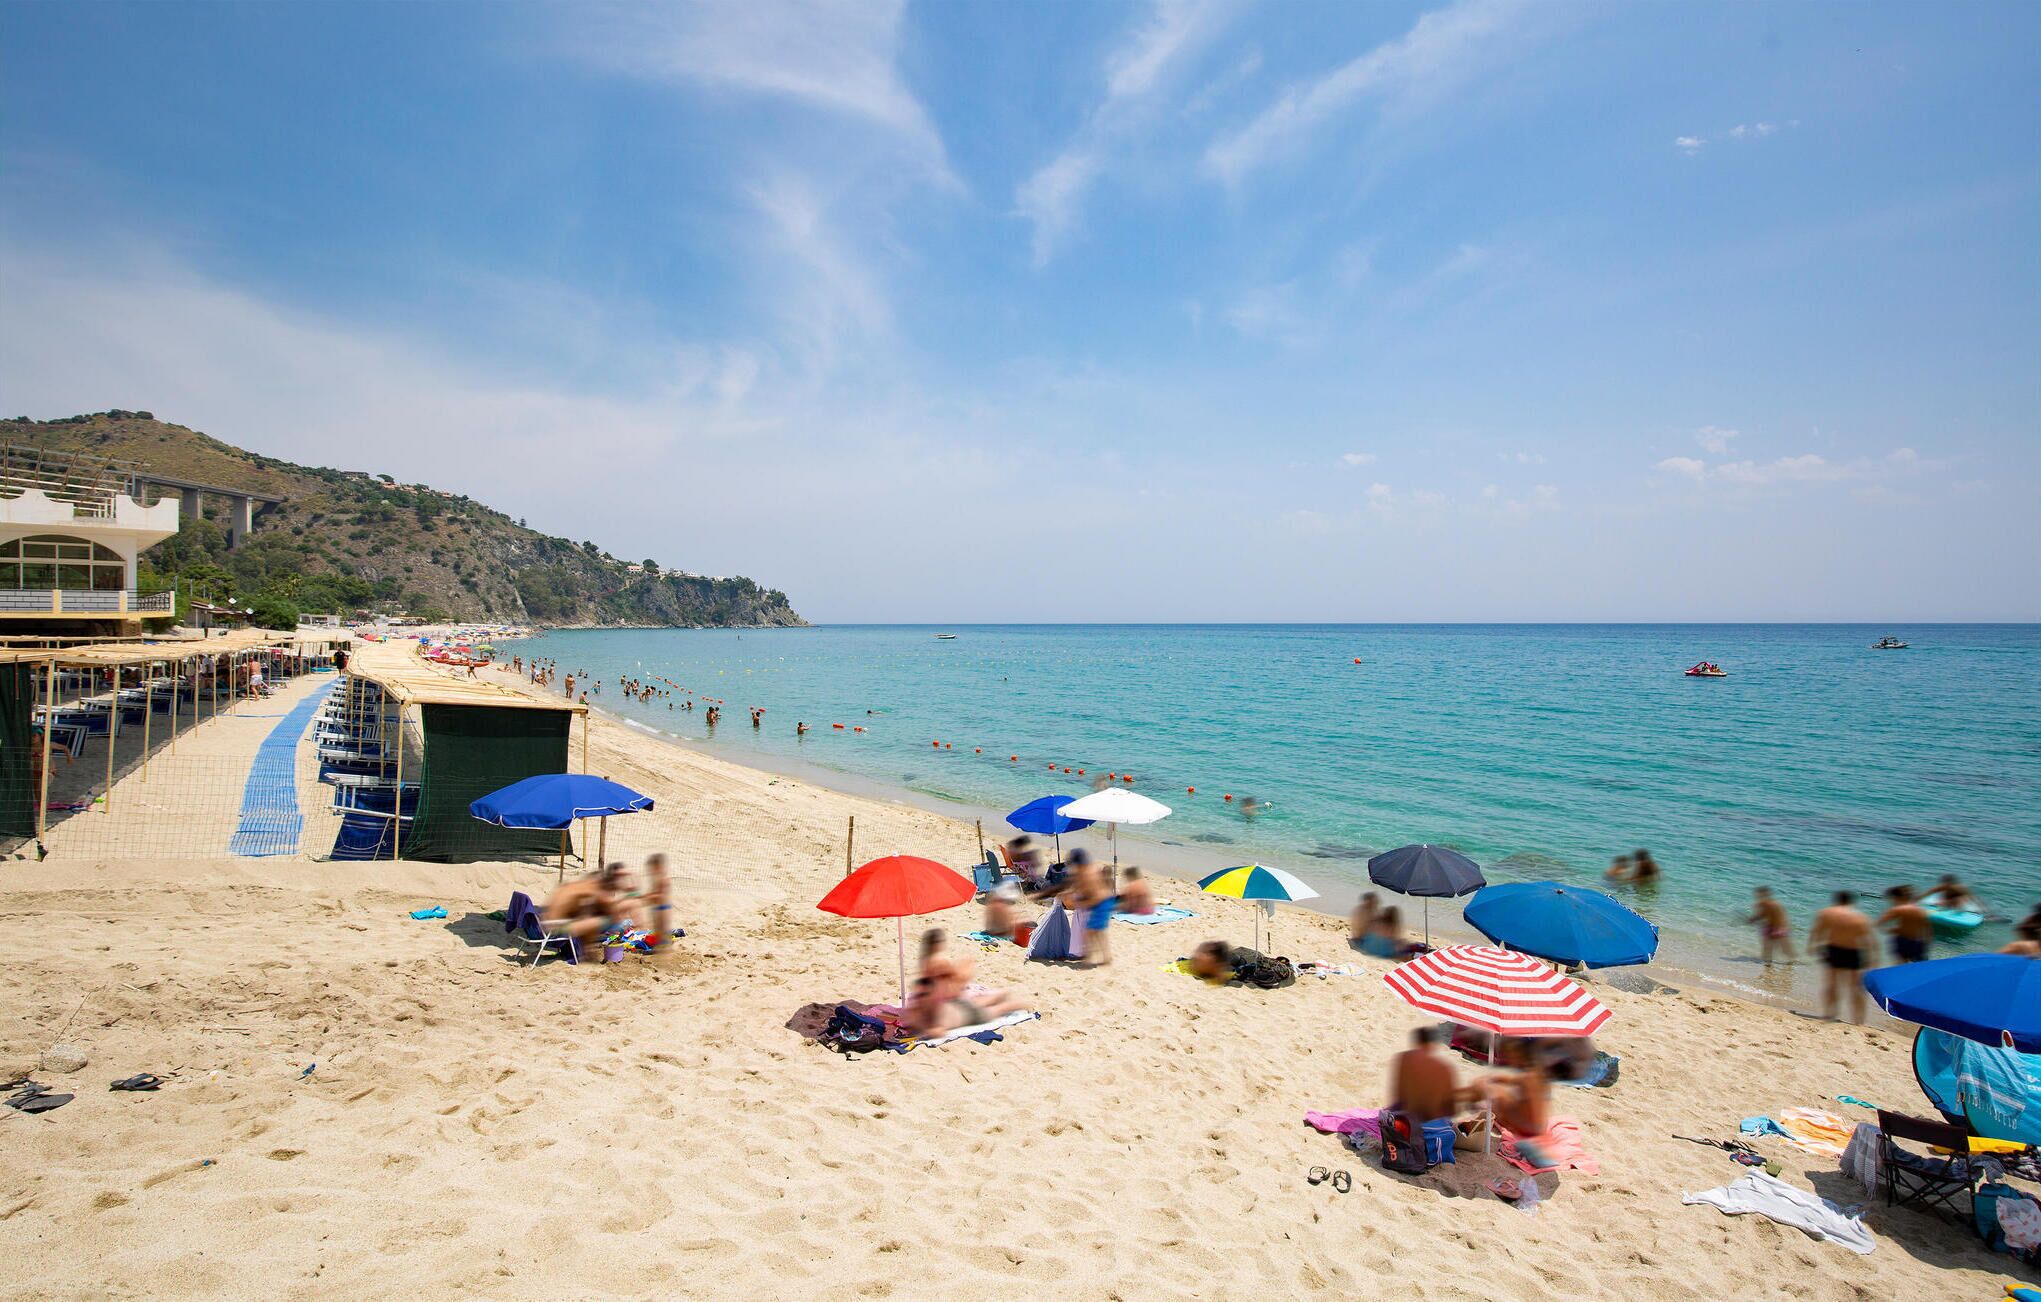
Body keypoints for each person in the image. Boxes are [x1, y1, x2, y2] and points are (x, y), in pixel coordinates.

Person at [1808, 891, 1875, 1022]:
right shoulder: (1860, 917)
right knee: (1855, 987)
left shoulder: (1826, 913)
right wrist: (1871, 957)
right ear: (1850, 902)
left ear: (1836, 900)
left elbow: (1817, 931)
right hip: (1854, 952)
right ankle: (1858, 1020)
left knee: (1832, 984)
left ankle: (1829, 1014)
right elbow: (1869, 940)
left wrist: (1812, 946)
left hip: (1834, 950)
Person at [901, 976, 1027, 1036]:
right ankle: (1005, 994)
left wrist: (926, 1031)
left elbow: (938, 1031)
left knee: (1000, 1008)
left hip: (969, 1013)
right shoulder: (925, 1005)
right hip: (962, 1007)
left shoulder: (929, 1011)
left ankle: (1023, 1003)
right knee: (991, 1002)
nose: (918, 997)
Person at [538, 865, 624, 948]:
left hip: (545, 928)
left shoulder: (570, 888)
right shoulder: (586, 891)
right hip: (555, 932)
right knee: (618, 924)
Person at [1390, 1026, 1462, 1124]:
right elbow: (1451, 1107)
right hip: (1431, 1122)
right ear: (1433, 1044)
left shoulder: (1405, 1058)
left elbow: (1398, 1091)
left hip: (1405, 1116)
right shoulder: (1443, 1067)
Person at [1068, 852, 1113, 968]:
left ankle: (1089, 959)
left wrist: (1081, 903)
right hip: (1106, 903)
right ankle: (1106, 958)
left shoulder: (1089, 874)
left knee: (1090, 933)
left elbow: (1095, 898)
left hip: (1102, 904)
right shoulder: (1093, 872)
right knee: (1099, 933)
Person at [1878, 885, 1933, 964]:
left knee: (1902, 968)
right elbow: (1928, 930)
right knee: (1920, 968)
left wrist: (1892, 930)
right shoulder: (1920, 910)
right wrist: (1926, 944)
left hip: (1905, 941)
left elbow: (1879, 924)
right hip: (1915, 942)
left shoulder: (1899, 909)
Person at [918, 928, 973, 1003]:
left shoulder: (925, 959)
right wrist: (965, 964)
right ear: (938, 943)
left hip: (932, 994)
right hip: (944, 996)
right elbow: (958, 976)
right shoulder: (940, 960)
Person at [1746, 887, 1794, 965]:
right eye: (1758, 896)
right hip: (1775, 927)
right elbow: (1764, 914)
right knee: (1779, 948)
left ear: (1767, 895)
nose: (1759, 898)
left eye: (1760, 896)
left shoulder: (1770, 904)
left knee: (1773, 948)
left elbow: (1777, 916)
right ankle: (1772, 965)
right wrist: (1753, 919)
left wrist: (1777, 930)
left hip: (1776, 928)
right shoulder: (1770, 904)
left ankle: (1770, 964)